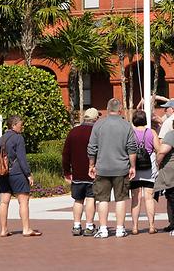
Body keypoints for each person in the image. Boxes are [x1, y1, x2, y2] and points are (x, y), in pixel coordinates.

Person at [87, 98, 138, 239]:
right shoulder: (126, 125)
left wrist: (91, 165)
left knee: (102, 199)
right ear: (120, 109)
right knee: (120, 199)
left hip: (102, 167)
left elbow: (92, 147)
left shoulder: (99, 125)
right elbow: (132, 148)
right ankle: (120, 229)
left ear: (107, 109)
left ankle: (103, 229)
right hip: (121, 168)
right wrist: (132, 166)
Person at [0, 115, 40, 237]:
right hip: (17, 173)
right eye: (20, 124)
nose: (22, 126)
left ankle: (3, 230)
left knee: (4, 202)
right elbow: (22, 158)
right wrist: (28, 174)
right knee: (23, 201)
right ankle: (26, 229)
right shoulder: (18, 138)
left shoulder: (2, 139)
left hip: (3, 173)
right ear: (14, 125)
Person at [62, 107, 99, 236]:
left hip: (77, 173)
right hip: (92, 172)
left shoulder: (73, 132)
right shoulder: (96, 132)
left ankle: (77, 225)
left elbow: (66, 154)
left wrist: (67, 171)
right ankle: (89, 226)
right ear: (95, 119)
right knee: (90, 198)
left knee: (78, 200)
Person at [130, 110, 160, 235]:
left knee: (135, 198)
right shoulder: (151, 132)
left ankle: (135, 227)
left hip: (135, 168)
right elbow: (158, 149)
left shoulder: (130, 133)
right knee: (149, 197)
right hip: (149, 167)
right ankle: (151, 225)